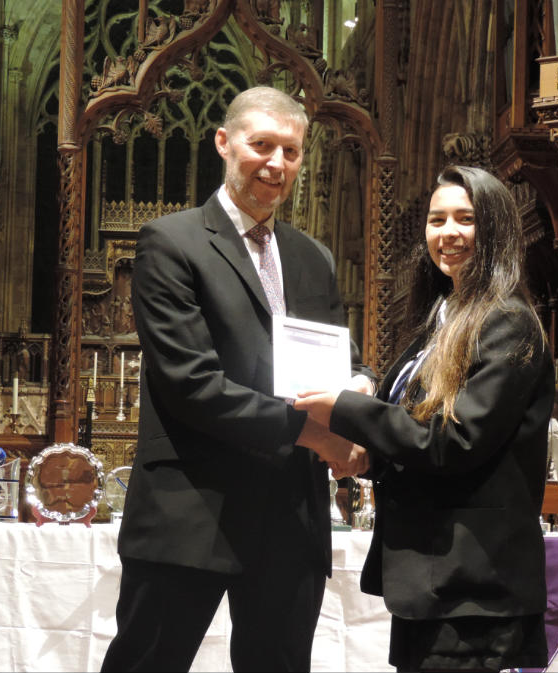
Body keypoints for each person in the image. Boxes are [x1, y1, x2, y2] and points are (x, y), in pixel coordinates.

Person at [101, 86, 373, 673]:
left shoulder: (313, 258)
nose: (276, 163)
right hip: (192, 510)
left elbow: (341, 358)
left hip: (289, 516)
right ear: (224, 143)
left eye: (291, 152)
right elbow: (192, 385)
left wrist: (361, 389)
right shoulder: (171, 242)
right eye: (262, 145)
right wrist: (319, 436)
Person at [296, 165, 553, 671]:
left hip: (472, 582)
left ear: (496, 228)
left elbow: (454, 442)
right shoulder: (443, 319)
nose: (447, 232)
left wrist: (344, 408)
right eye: (437, 220)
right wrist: (363, 457)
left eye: (465, 219)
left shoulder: (507, 321)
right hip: (434, 576)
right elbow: (414, 431)